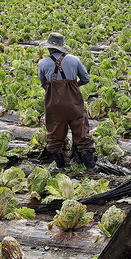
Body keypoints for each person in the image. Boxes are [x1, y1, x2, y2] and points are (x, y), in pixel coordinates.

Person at [37, 32, 95, 171]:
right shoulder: (74, 60)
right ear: (62, 47)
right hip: (74, 102)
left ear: (49, 48)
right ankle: (91, 168)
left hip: (54, 105)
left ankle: (61, 167)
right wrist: (73, 86)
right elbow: (86, 79)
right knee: (82, 134)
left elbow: (43, 84)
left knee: (55, 135)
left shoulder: (42, 63)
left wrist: (56, 91)